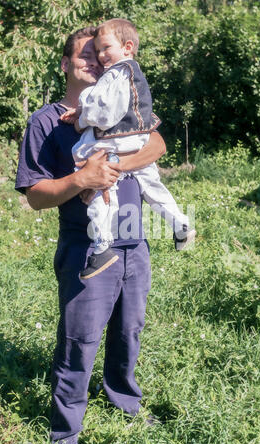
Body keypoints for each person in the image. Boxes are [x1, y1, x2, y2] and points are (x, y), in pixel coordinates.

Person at [15, 25, 166, 444]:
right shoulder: (46, 121)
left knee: (128, 332)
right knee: (79, 341)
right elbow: (35, 195)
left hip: (135, 240)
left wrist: (115, 165)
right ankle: (67, 432)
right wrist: (81, 178)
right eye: (84, 56)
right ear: (65, 64)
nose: (95, 61)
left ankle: (124, 403)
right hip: (87, 248)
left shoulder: (121, 98)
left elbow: (157, 143)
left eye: (99, 55)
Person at [61, 18, 195, 280]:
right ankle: (180, 224)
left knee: (97, 182)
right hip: (137, 140)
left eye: (105, 48)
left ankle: (102, 247)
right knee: (153, 186)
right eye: (97, 51)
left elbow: (104, 114)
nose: (101, 56)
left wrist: (81, 118)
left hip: (115, 142)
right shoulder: (133, 72)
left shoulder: (115, 74)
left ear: (127, 46)